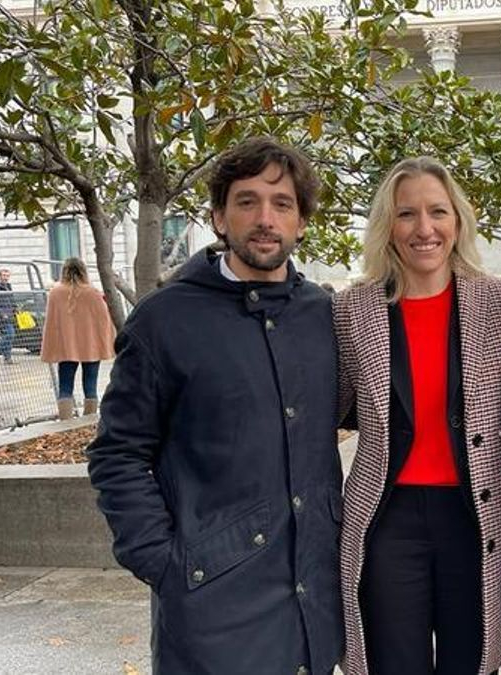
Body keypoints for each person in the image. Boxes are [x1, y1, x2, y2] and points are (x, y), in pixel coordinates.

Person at [87, 137, 343, 674]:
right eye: (247, 201)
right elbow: (119, 453)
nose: (265, 219)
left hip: (313, 603)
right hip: (210, 606)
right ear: (219, 218)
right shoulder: (165, 320)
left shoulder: (325, 316)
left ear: (301, 222)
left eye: (282, 204)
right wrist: (163, 561)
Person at [333, 157, 501, 675]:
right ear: (387, 226)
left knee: (470, 659)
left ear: (458, 221)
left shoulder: (499, 300)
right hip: (388, 516)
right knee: (393, 663)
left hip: (473, 513)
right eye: (406, 214)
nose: (424, 229)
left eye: (438, 211)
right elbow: (333, 407)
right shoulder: (353, 308)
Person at [39, 258, 115, 420]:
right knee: (90, 384)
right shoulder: (93, 293)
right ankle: (88, 421)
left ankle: (65, 422)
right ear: (84, 271)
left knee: (65, 386)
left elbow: (51, 322)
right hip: (90, 346)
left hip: (66, 347)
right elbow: (104, 319)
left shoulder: (55, 293)